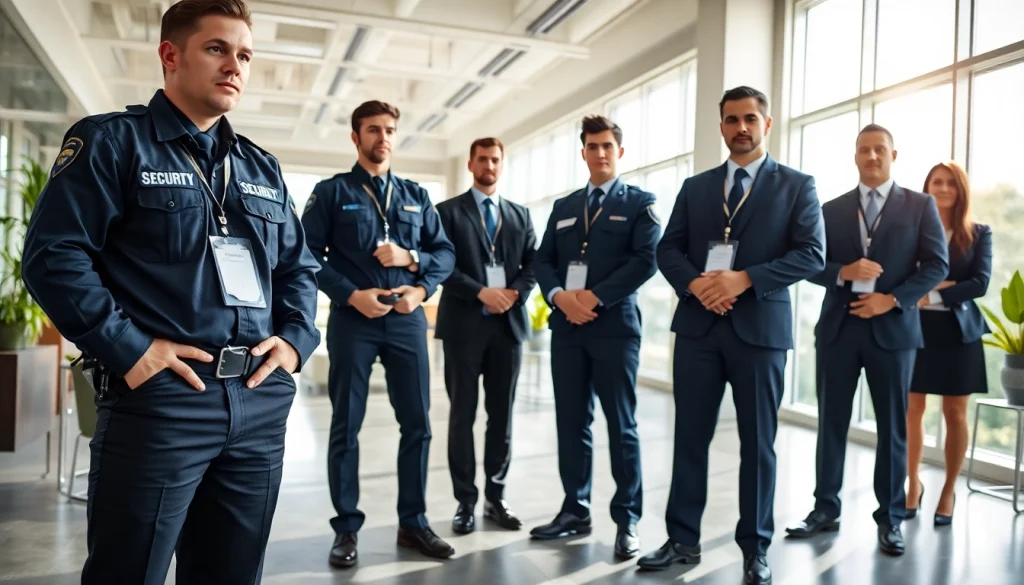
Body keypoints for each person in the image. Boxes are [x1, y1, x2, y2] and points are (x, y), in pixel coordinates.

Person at [20, 1, 321, 583]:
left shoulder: (261, 167)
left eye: (245, 55)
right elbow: (54, 258)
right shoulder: (114, 142)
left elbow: (298, 269)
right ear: (170, 55)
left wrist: (294, 342)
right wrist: (130, 350)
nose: (234, 64)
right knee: (129, 572)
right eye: (217, 49)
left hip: (258, 400)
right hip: (163, 403)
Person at [639, 86, 825, 584]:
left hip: (759, 331)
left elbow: (812, 254)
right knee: (690, 438)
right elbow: (668, 250)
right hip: (700, 327)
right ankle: (682, 540)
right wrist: (698, 285)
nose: (740, 127)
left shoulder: (797, 185)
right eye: (731, 119)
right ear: (720, 126)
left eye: (749, 118)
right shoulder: (696, 187)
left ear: (767, 123)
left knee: (758, 443)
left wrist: (745, 279)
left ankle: (755, 547)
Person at [300, 100, 456, 566]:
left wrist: (418, 278)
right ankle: (346, 528)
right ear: (356, 137)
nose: (382, 137)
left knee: (419, 424)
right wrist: (350, 296)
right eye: (373, 129)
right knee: (346, 425)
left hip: (407, 318)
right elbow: (307, 255)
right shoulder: (331, 192)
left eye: (389, 129)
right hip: (354, 321)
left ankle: (414, 522)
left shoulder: (416, 195)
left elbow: (443, 252)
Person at [786, 124, 949, 556]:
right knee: (831, 425)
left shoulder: (920, 205)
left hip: (893, 331)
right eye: (864, 150)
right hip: (838, 330)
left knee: (893, 428)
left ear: (894, 154)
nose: (872, 156)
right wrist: (842, 272)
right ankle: (824, 510)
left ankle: (891, 517)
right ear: (855, 156)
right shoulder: (831, 208)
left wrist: (892, 300)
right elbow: (808, 262)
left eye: (880, 149)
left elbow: (936, 265)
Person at [531, 115, 660, 560]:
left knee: (621, 427)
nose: (600, 153)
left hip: (614, 331)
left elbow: (647, 260)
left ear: (620, 152)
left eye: (608, 146)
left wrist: (595, 298)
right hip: (567, 327)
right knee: (572, 423)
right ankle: (575, 509)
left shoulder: (640, 202)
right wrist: (559, 297)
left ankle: (628, 520)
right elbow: (543, 259)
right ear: (582, 152)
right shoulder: (565, 207)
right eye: (592, 146)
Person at [434, 137, 537, 534]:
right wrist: (481, 292)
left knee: (502, 417)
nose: (489, 165)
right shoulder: (448, 212)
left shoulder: (520, 215)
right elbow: (442, 264)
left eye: (495, 159)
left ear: (501, 163)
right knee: (462, 416)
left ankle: (496, 496)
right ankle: (465, 501)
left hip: (506, 328)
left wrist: (513, 295)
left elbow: (533, 263)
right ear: (471, 164)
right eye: (482, 159)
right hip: (464, 327)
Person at [906, 161, 991, 526]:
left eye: (949, 183)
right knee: (912, 411)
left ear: (960, 190)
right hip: (916, 331)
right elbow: (902, 273)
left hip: (959, 335)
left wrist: (935, 295)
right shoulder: (911, 230)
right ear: (926, 187)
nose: (942, 189)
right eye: (936, 182)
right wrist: (945, 288)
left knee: (955, 414)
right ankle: (912, 486)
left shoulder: (979, 232)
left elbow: (981, 283)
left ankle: (948, 490)